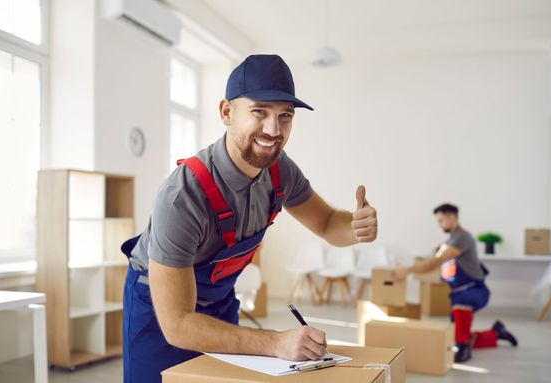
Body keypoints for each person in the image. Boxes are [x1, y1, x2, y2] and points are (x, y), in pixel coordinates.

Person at [120, 54, 378, 383]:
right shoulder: (183, 195)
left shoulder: (280, 171)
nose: (273, 130)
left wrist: (355, 228)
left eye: (285, 116)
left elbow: (327, 223)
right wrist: (275, 343)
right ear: (227, 112)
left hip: (217, 304)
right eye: (259, 112)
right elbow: (179, 324)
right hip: (159, 312)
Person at [393, 203, 517, 363]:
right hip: (458, 294)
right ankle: (496, 333)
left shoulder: (462, 238)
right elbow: (435, 258)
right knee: (455, 336)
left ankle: (464, 348)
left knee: (461, 332)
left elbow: (435, 262)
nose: (439, 225)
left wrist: (408, 270)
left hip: (474, 291)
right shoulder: (450, 240)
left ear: (452, 217)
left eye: (441, 220)